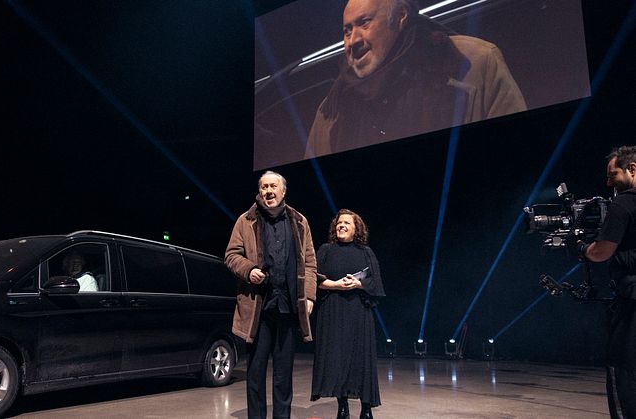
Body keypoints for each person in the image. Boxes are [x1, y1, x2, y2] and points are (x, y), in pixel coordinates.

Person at [306, 0, 526, 159]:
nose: (353, 40)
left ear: (400, 16)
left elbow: (516, 149)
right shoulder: (330, 111)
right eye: (347, 30)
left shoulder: (475, 63)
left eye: (364, 23)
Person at [225, 171, 317, 419]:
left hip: (288, 306)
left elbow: (309, 263)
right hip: (258, 307)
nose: (268, 191)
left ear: (283, 191)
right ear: (259, 191)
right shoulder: (246, 220)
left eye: (273, 186)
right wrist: (249, 270)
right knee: (255, 372)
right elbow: (231, 255)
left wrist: (308, 297)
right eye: (264, 186)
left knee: (283, 373)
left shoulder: (299, 222)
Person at [310, 209, 385, 419]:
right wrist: (335, 284)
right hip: (333, 313)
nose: (341, 226)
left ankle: (366, 407)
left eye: (347, 223)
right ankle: (342, 406)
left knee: (361, 358)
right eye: (339, 223)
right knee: (337, 359)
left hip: (358, 313)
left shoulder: (366, 252)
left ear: (356, 229)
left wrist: (359, 283)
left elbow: (377, 283)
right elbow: (312, 278)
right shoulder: (325, 250)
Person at [581, 146, 636, 418]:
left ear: (632, 169)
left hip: (633, 303)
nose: (608, 182)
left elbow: (602, 252)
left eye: (612, 174)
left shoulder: (624, 202)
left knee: (623, 371)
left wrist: (583, 249)